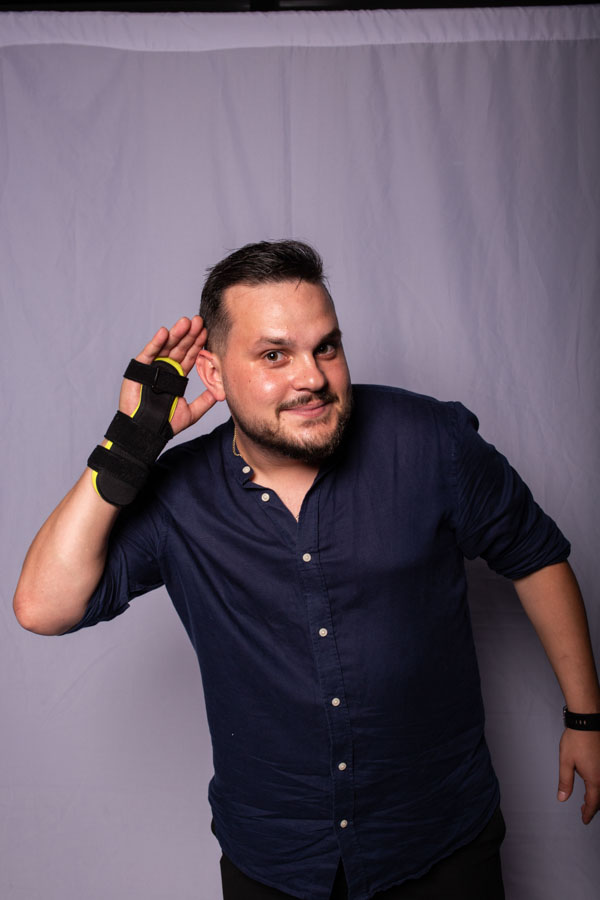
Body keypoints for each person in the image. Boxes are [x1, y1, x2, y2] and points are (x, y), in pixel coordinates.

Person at [14, 240, 600, 900]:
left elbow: (535, 554)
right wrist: (127, 447)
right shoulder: (179, 497)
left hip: (440, 840)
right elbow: (42, 607)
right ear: (213, 374)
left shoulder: (431, 441)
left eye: (326, 347)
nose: (313, 378)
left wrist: (586, 718)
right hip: (276, 859)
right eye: (275, 355)